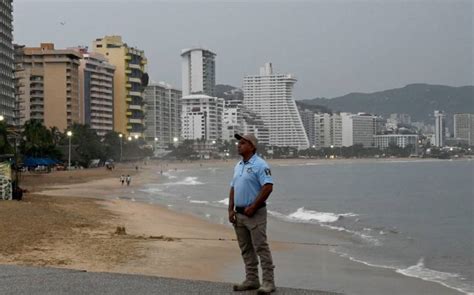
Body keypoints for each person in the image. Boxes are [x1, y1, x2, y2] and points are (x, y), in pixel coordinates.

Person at [228, 133, 275, 294]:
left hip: (255, 214)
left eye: (242, 143)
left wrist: (253, 207)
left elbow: (268, 187)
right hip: (239, 214)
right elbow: (233, 188)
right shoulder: (238, 165)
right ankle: (252, 279)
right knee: (246, 248)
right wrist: (230, 209)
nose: (238, 145)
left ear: (252, 146)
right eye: (238, 143)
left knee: (261, 247)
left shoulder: (261, 165)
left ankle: (268, 282)